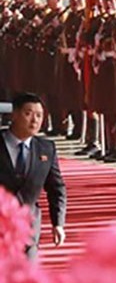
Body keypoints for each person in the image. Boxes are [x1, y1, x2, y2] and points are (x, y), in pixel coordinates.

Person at [0, 92, 66, 258]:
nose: (35, 120)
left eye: (39, 115)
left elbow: (56, 187)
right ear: (14, 115)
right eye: (28, 114)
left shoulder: (46, 148)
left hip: (28, 227)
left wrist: (58, 223)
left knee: (25, 278)